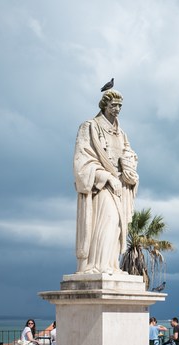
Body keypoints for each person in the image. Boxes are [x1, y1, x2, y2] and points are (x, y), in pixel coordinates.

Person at [73, 88, 139, 274]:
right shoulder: (90, 126)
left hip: (120, 187)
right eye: (113, 105)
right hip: (100, 186)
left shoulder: (122, 134)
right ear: (104, 105)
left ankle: (111, 265)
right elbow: (82, 161)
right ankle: (98, 265)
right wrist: (107, 177)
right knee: (108, 220)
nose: (117, 109)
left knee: (118, 225)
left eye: (120, 106)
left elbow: (129, 156)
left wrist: (130, 170)